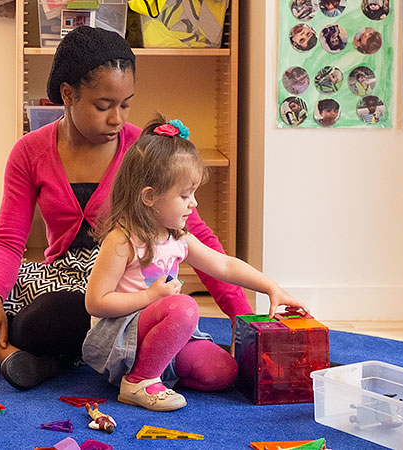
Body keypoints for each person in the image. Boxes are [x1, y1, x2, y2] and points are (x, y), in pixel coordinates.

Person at [0, 26, 253, 391]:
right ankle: (13, 355)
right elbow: (7, 240)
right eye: (104, 106)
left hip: (111, 289)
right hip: (50, 277)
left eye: (126, 104)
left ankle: (31, 349)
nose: (117, 118)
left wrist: (245, 320)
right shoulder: (30, 151)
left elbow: (195, 236)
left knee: (51, 317)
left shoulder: (144, 151)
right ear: (67, 95)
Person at [81, 115, 307, 411]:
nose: (194, 203)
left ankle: (157, 369)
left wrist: (270, 287)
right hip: (123, 337)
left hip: (167, 332)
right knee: (185, 306)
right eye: (185, 195)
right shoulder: (122, 240)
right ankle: (138, 380)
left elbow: (224, 265)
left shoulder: (178, 238)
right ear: (149, 197)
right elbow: (95, 302)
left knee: (223, 371)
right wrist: (150, 297)